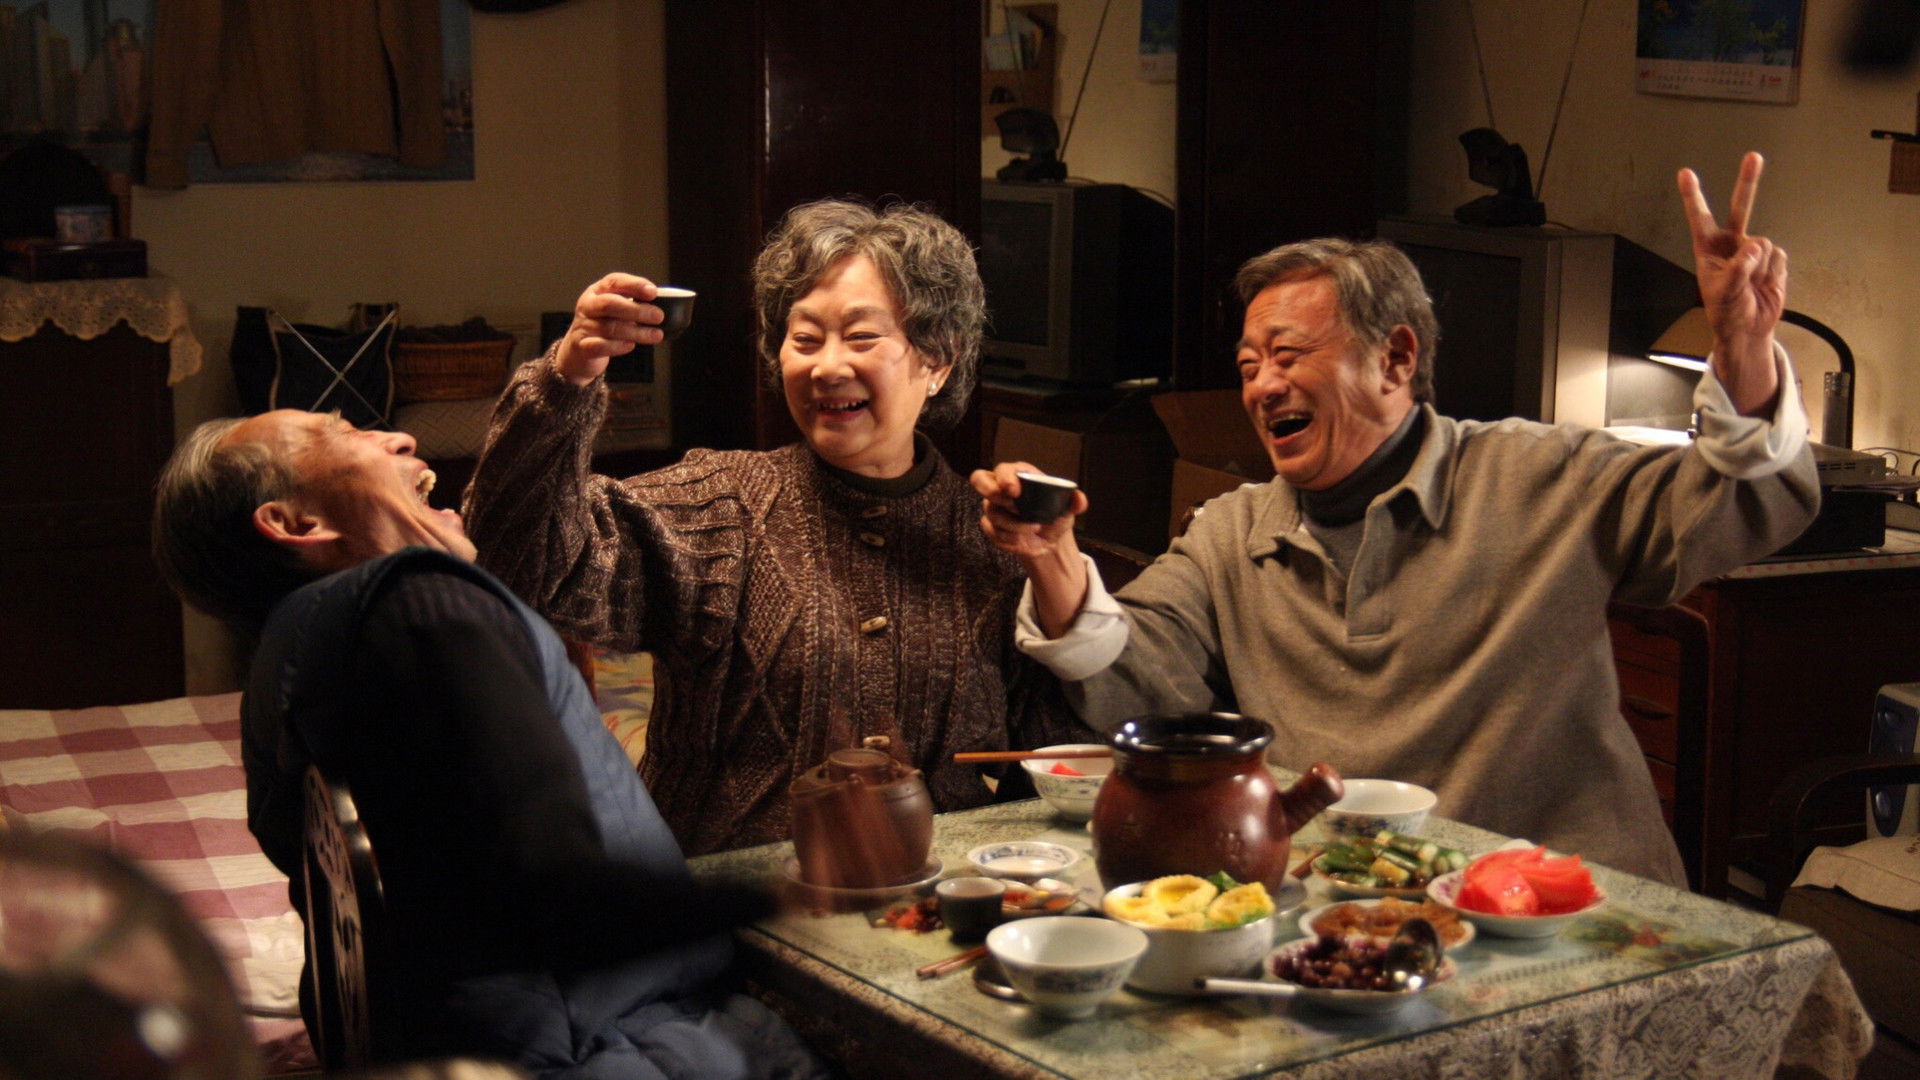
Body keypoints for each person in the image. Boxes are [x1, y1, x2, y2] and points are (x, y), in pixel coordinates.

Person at [976, 153, 1820, 886]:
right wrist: (1052, 555)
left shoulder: (1536, 476)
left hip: (1565, 898)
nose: (1262, 386)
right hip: (1348, 898)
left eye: (1288, 355)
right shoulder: (1232, 533)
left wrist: (1743, 353)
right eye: (1248, 364)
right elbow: (1131, 673)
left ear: (1397, 358)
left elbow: (1733, 511)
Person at [149, 411, 826, 1079]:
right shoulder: (423, 602)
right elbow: (577, 907)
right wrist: (798, 895)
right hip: (606, 1045)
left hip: (446, 1049)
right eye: (343, 434)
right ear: (296, 524)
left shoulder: (280, 666)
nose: (400, 437)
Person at [462, 199, 1088, 857]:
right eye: (805, 339)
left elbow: (1054, 767)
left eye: (861, 337)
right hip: (736, 900)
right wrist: (567, 378)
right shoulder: (722, 509)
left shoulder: (993, 538)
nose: (826, 366)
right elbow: (516, 564)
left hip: (932, 899)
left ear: (938, 361)